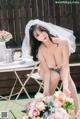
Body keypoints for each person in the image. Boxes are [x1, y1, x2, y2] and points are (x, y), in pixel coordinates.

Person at [22, 19, 79, 113]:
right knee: (54, 77)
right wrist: (46, 90)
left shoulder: (63, 42)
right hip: (46, 71)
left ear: (46, 29)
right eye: (37, 35)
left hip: (62, 69)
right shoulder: (40, 51)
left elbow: (65, 66)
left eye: (42, 31)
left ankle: (78, 112)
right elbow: (47, 72)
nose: (41, 35)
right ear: (36, 39)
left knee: (67, 81)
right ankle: (39, 109)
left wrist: (65, 87)